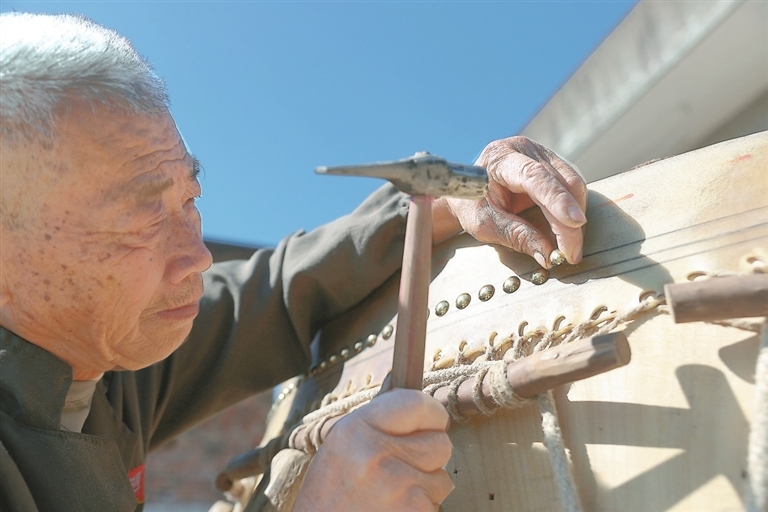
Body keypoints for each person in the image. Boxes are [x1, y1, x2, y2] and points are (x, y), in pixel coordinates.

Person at [0, 12, 587, 512]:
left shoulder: (109, 350)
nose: (196, 257)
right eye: (138, 218)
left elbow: (282, 291)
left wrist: (452, 194)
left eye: (187, 200)